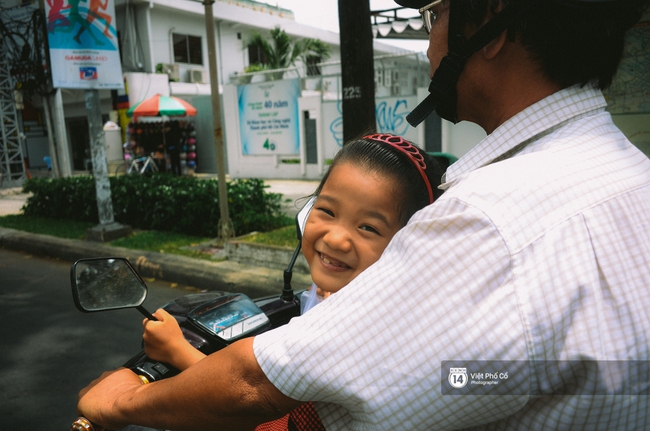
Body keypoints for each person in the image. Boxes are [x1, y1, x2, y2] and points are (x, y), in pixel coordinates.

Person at [76, 1, 650, 430]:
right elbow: (501, 375)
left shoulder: (490, 220)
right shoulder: (631, 176)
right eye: (325, 209)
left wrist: (124, 403)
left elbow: (260, 387)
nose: (431, 42)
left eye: (437, 14)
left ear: (489, 21)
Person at [140, 133, 444, 429]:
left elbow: (249, 396)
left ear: (407, 244)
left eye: (368, 227)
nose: (336, 238)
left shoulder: (357, 325)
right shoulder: (337, 297)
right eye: (326, 210)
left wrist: (175, 349)